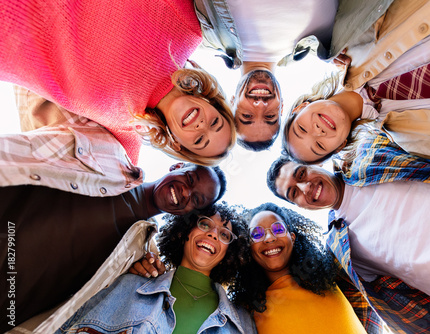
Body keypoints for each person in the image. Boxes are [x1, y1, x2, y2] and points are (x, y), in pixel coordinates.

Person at [266, 135, 430, 332]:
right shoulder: (342, 251)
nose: (306, 188)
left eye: (301, 174)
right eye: (294, 193)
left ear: (314, 162)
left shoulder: (373, 150)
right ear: (298, 206)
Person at [0, 156, 227, 331]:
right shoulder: (106, 161)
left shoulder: (142, 253)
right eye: (189, 179)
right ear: (177, 166)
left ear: (189, 213)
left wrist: (134, 272)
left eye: (196, 199)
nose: (185, 192)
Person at [0, 0, 236, 166]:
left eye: (199, 140)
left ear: (179, 144)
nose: (201, 126)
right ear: (212, 102)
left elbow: (114, 195)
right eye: (215, 122)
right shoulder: (187, 29)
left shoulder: (126, 135)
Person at [282, 0, 430, 173]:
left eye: (302, 129)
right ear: (339, 148)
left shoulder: (351, 43)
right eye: (319, 146)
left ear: (301, 107)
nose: (317, 132)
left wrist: (334, 43)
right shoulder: (410, 141)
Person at [194, 0, 395, 150]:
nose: (260, 105)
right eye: (270, 116)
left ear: (231, 102)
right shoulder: (326, 45)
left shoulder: (203, 34)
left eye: (247, 115)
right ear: (282, 106)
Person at [53, 204, 257, 334]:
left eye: (224, 234)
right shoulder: (128, 284)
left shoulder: (242, 323)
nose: (213, 234)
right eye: (205, 224)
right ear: (184, 231)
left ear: (228, 253)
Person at [229, 203, 366, 333]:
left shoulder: (331, 276)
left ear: (292, 238)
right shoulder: (246, 310)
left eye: (278, 229)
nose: (269, 238)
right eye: (257, 234)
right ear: (248, 247)